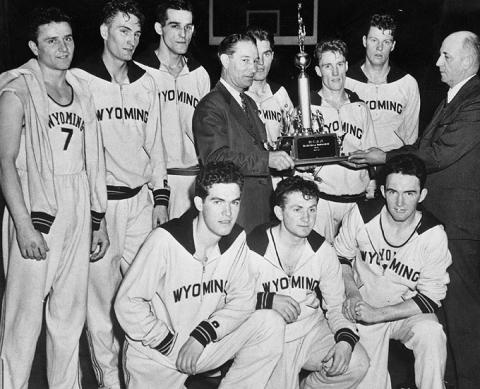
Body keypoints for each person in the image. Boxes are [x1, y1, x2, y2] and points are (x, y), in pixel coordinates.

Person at [349, 31, 480, 389]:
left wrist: (385, 157)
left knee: (464, 317)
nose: (437, 62)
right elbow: (424, 144)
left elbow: (439, 153)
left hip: (461, 222)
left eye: (445, 56)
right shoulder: (455, 97)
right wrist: (388, 153)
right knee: (450, 317)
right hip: (447, 217)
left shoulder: (475, 99)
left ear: (467, 60)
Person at [0, 7, 108, 388]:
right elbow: (5, 163)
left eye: (68, 38)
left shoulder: (81, 92)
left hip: (78, 203)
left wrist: (99, 220)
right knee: (23, 320)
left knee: (69, 316)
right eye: (52, 40)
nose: (63, 47)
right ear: (34, 46)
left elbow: (91, 162)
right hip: (36, 205)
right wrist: (24, 226)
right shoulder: (16, 90)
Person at [115, 161, 284, 388]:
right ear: (199, 203)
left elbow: (243, 300)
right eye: (218, 202)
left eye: (234, 202)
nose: (227, 213)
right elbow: (127, 302)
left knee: (269, 322)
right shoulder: (164, 240)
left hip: (200, 345)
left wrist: (203, 335)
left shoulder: (236, 239)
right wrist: (164, 341)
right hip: (156, 356)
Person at [71, 1, 170, 387]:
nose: (130, 40)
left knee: (149, 295)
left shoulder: (147, 82)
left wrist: (160, 199)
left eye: (135, 33)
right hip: (100, 206)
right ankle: (110, 382)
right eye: (122, 31)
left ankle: (148, 377)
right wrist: (94, 217)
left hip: (140, 203)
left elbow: (156, 146)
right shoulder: (81, 80)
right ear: (103, 32)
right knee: (100, 305)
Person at [334, 154, 451, 389]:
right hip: (363, 309)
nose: (400, 203)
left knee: (431, 332)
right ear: (382, 190)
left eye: (409, 193)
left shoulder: (433, 234)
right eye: (392, 192)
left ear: (422, 195)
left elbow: (431, 298)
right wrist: (351, 291)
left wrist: (380, 314)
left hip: (402, 311)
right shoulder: (361, 215)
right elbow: (340, 257)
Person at [247, 176, 369, 389]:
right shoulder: (254, 247)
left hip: (310, 332)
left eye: (312, 209)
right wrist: (267, 300)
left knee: (356, 362)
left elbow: (335, 306)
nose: (306, 218)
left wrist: (345, 341)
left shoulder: (323, 251)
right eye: (297, 209)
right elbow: (228, 300)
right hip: (269, 339)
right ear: (279, 212)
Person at [193, 33, 295, 233]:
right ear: (225, 60)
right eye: (245, 61)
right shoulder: (211, 105)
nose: (253, 68)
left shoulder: (248, 102)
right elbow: (215, 158)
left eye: (255, 60)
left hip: (260, 208)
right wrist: (267, 160)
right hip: (237, 212)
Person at [135, 0, 210, 218]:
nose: (183, 34)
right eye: (175, 26)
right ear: (159, 28)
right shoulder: (140, 71)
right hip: (154, 184)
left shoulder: (199, 74)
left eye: (188, 27)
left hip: (193, 178)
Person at [302, 38, 377, 242]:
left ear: (346, 66)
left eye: (339, 64)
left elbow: (372, 151)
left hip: (357, 201)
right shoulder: (308, 108)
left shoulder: (360, 106)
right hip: (323, 200)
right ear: (318, 71)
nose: (335, 73)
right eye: (328, 66)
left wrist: (373, 180)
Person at [345, 14, 420, 151]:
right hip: (356, 164)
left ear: (393, 46)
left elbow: (411, 138)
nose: (379, 47)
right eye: (374, 40)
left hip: (393, 164)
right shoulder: (346, 81)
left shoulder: (407, 83)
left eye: (386, 42)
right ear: (364, 41)